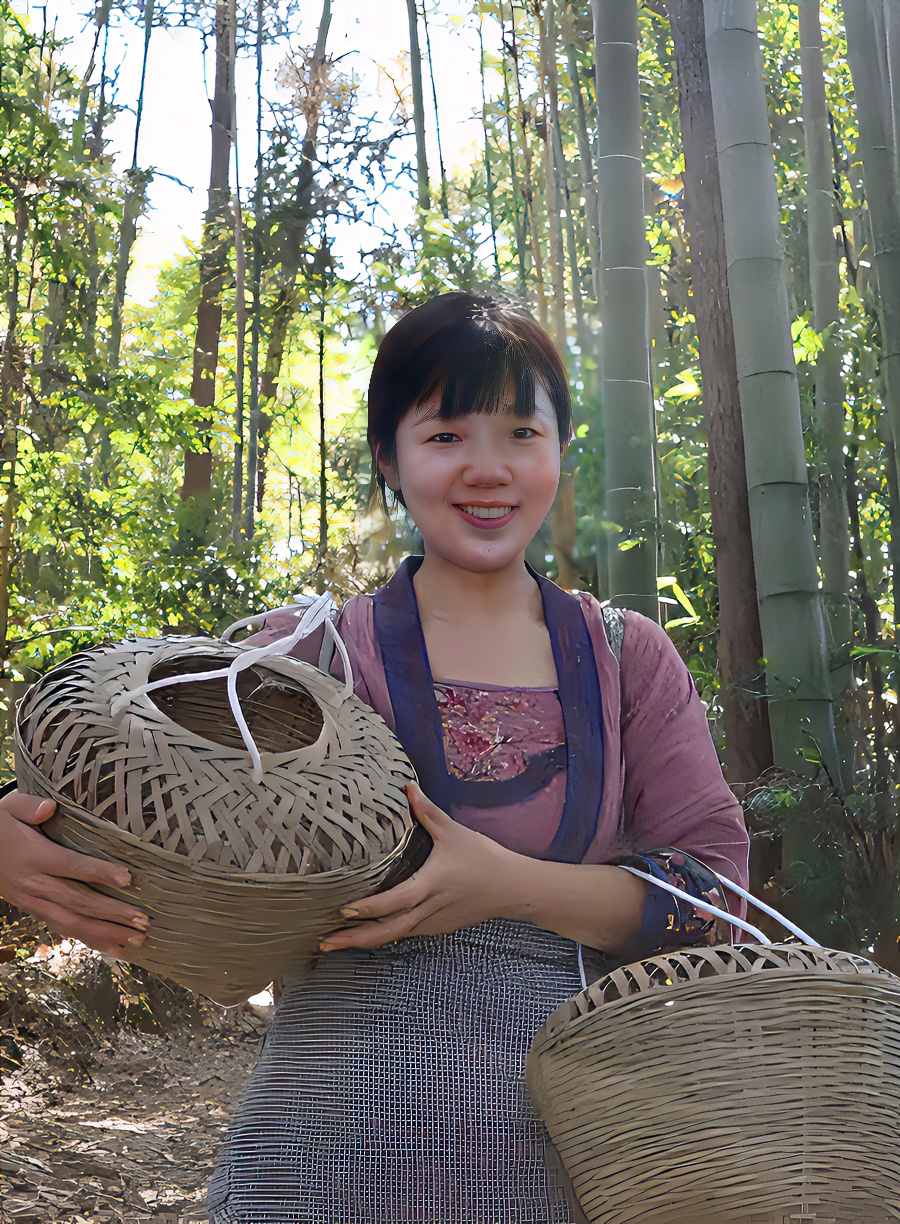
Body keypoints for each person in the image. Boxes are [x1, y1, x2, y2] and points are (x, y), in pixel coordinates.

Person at [0, 292, 750, 1223]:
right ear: (390, 460)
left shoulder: (624, 658)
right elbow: (128, 763)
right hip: (322, 1152)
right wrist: (13, 827)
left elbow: (717, 901)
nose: (488, 468)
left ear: (562, 450)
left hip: (564, 1162)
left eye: (523, 431)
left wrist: (509, 885)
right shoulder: (309, 655)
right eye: (445, 436)